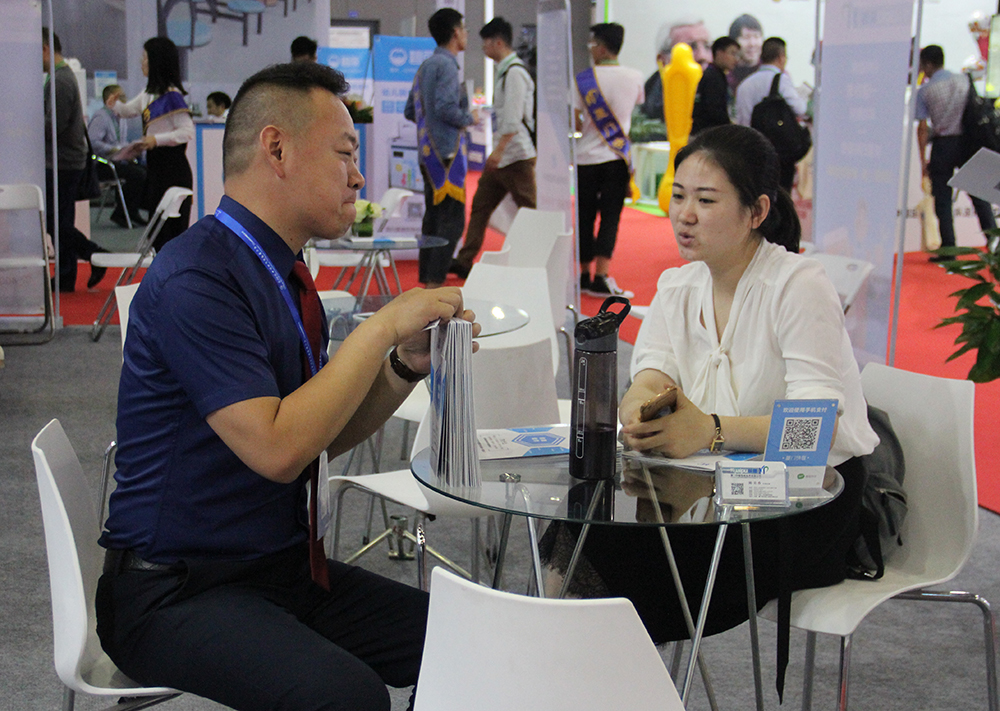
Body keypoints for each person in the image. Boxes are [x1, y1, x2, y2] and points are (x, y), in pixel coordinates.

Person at [95, 61, 478, 711]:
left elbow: (314, 437)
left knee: (473, 641)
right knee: (347, 697)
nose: (358, 176)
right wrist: (381, 325)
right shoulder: (199, 276)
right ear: (276, 149)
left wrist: (402, 365)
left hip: (275, 570)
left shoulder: (279, 272)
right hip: (175, 591)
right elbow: (276, 449)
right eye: (344, 153)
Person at [543, 124, 877, 693]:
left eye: (705, 199)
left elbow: (815, 432)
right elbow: (651, 373)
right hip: (706, 490)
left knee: (617, 551)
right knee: (583, 526)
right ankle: (578, 684)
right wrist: (640, 407)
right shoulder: (679, 285)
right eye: (677, 196)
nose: (685, 215)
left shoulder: (798, 285)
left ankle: (583, 686)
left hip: (809, 502)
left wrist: (711, 431)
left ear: (757, 211)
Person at [449, 17, 536, 279]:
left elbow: (512, 119)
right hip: (503, 154)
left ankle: (538, 260)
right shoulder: (505, 72)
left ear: (498, 42)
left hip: (516, 155)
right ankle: (465, 260)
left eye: (486, 43)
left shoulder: (515, 73)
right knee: (481, 205)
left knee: (530, 210)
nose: (483, 48)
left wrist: (498, 152)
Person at [404, 8, 476, 288]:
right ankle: (434, 283)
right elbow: (446, 108)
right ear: (456, 32)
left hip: (427, 153)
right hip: (446, 153)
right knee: (451, 221)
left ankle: (427, 279)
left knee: (433, 218)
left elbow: (410, 110)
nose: (466, 34)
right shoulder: (447, 66)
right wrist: (469, 118)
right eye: (464, 28)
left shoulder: (425, 66)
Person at [574, 22, 644, 297]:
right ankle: (601, 275)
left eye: (592, 44)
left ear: (602, 47)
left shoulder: (583, 79)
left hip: (585, 158)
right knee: (610, 217)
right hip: (616, 158)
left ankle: (583, 274)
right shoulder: (635, 76)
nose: (591, 49)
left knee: (584, 217)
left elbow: (576, 121)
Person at [110, 37, 194, 250]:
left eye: (145, 57)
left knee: (171, 233)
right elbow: (129, 110)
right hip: (156, 169)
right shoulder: (148, 94)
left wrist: (156, 140)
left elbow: (186, 132)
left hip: (173, 169)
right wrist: (115, 105)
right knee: (156, 232)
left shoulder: (172, 96)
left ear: (157, 61)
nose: (141, 62)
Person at [916, 44, 998, 262]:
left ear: (927, 64)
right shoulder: (964, 80)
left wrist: (922, 159)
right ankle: (994, 245)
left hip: (943, 145)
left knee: (942, 199)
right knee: (979, 196)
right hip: (969, 142)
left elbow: (922, 128)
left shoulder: (925, 91)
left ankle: (949, 249)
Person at [42, 29, 108, 292]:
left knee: (55, 222)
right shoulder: (61, 77)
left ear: (45, 49)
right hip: (65, 161)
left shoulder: (60, 81)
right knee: (60, 221)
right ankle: (67, 273)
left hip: (62, 163)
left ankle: (94, 254)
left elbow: (53, 127)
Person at [735, 37, 808, 190]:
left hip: (752, 148)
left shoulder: (745, 84)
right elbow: (800, 109)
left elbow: (742, 120)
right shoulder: (781, 80)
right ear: (781, 57)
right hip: (779, 151)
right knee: (780, 194)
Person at [88, 84, 148, 227]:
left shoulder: (120, 118)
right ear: (110, 99)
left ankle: (132, 211)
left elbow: (120, 142)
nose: (124, 99)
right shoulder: (101, 117)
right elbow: (92, 142)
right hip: (102, 164)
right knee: (136, 175)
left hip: (118, 161)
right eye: (120, 97)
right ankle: (121, 213)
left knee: (144, 171)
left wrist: (130, 149)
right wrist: (113, 149)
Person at [640, 18, 712, 121]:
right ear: (663, 60)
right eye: (691, 47)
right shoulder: (645, 110)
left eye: (707, 46)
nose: (703, 56)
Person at [690, 37, 741, 135]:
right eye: (733, 53)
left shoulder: (716, 75)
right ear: (719, 53)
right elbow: (714, 111)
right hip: (708, 134)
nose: (736, 59)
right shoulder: (713, 77)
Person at [727, 13, 764, 90]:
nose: (752, 44)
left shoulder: (773, 73)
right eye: (746, 37)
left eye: (756, 37)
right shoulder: (726, 75)